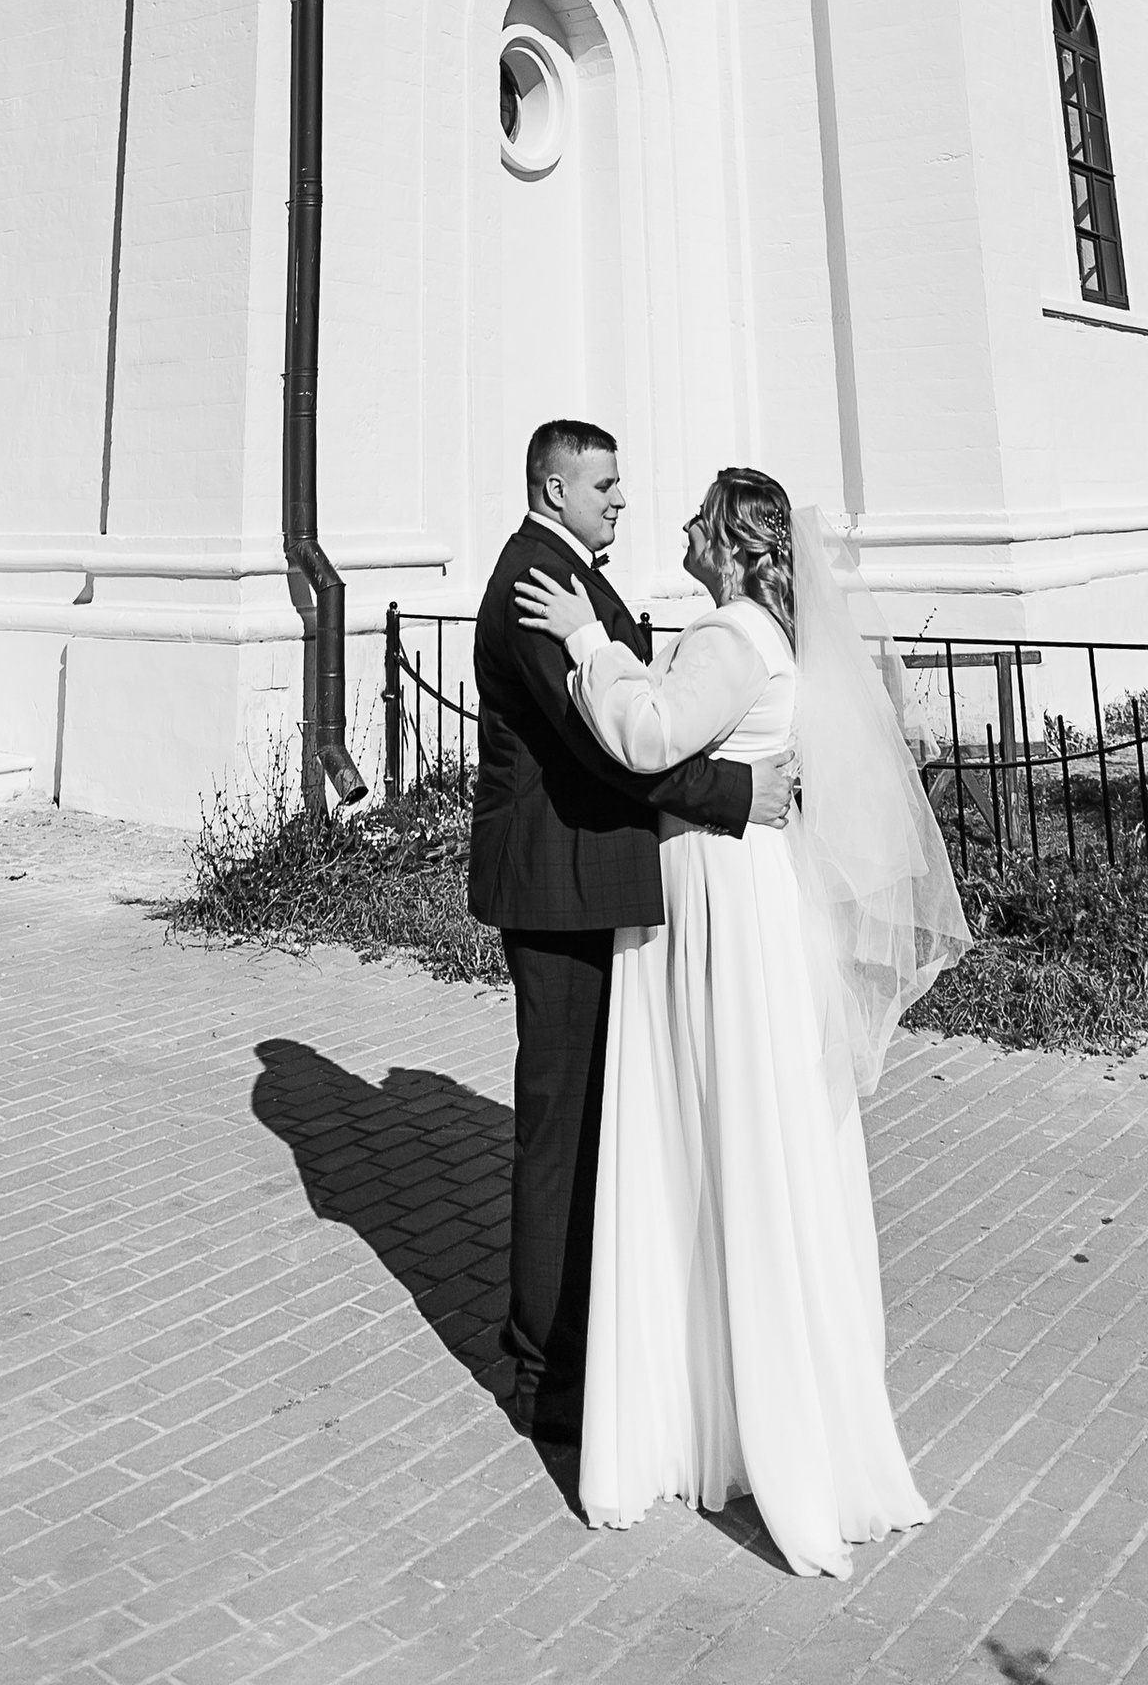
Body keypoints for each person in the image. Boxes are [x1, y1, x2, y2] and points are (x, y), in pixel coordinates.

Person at [513, 465, 969, 1578]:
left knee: (706, 1135)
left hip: (712, 902)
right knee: (756, 1135)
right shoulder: (776, 632)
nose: (671, 523)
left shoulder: (727, 636)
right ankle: (753, 1403)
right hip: (757, 893)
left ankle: (712, 1417)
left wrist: (586, 642)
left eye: (693, 518)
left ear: (727, 541)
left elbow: (645, 734)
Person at [469, 422, 794, 1449]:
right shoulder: (535, 583)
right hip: (560, 888)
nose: (621, 500)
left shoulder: (578, 578)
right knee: (561, 1129)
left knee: (604, 1123)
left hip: (599, 883)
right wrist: (739, 791)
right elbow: (614, 752)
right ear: (551, 484)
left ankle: (600, 1341)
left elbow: (639, 705)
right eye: (603, 484)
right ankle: (550, 1376)